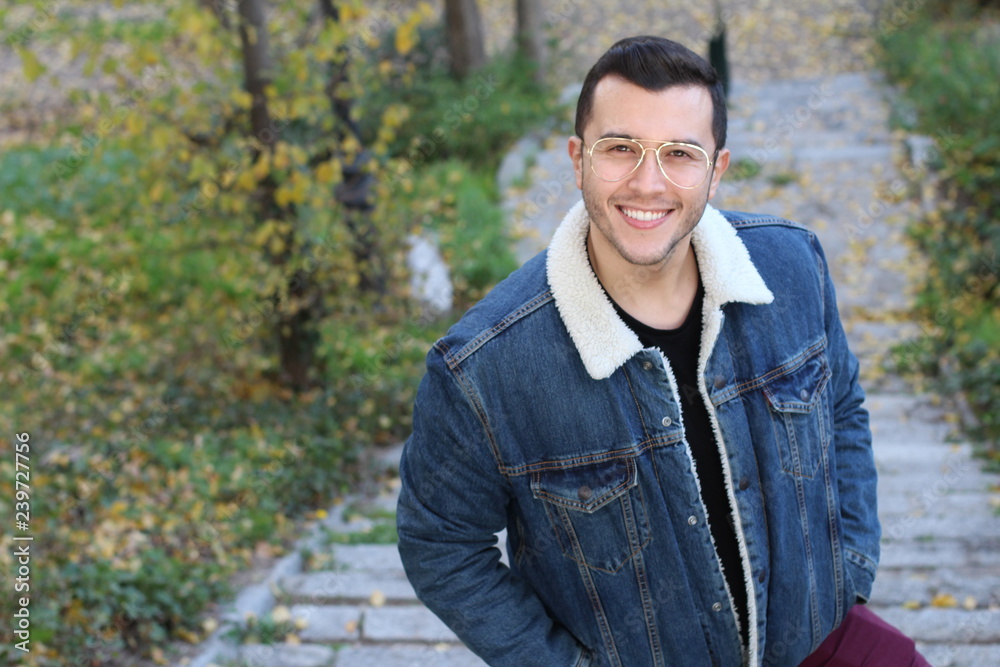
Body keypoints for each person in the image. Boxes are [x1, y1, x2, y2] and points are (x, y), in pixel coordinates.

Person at [397, 35, 929, 667]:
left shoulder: (794, 266)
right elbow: (439, 543)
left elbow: (841, 406)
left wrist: (850, 570)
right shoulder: (484, 367)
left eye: (680, 153)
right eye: (620, 148)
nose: (648, 183)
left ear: (717, 170)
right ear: (577, 159)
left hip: (821, 642)